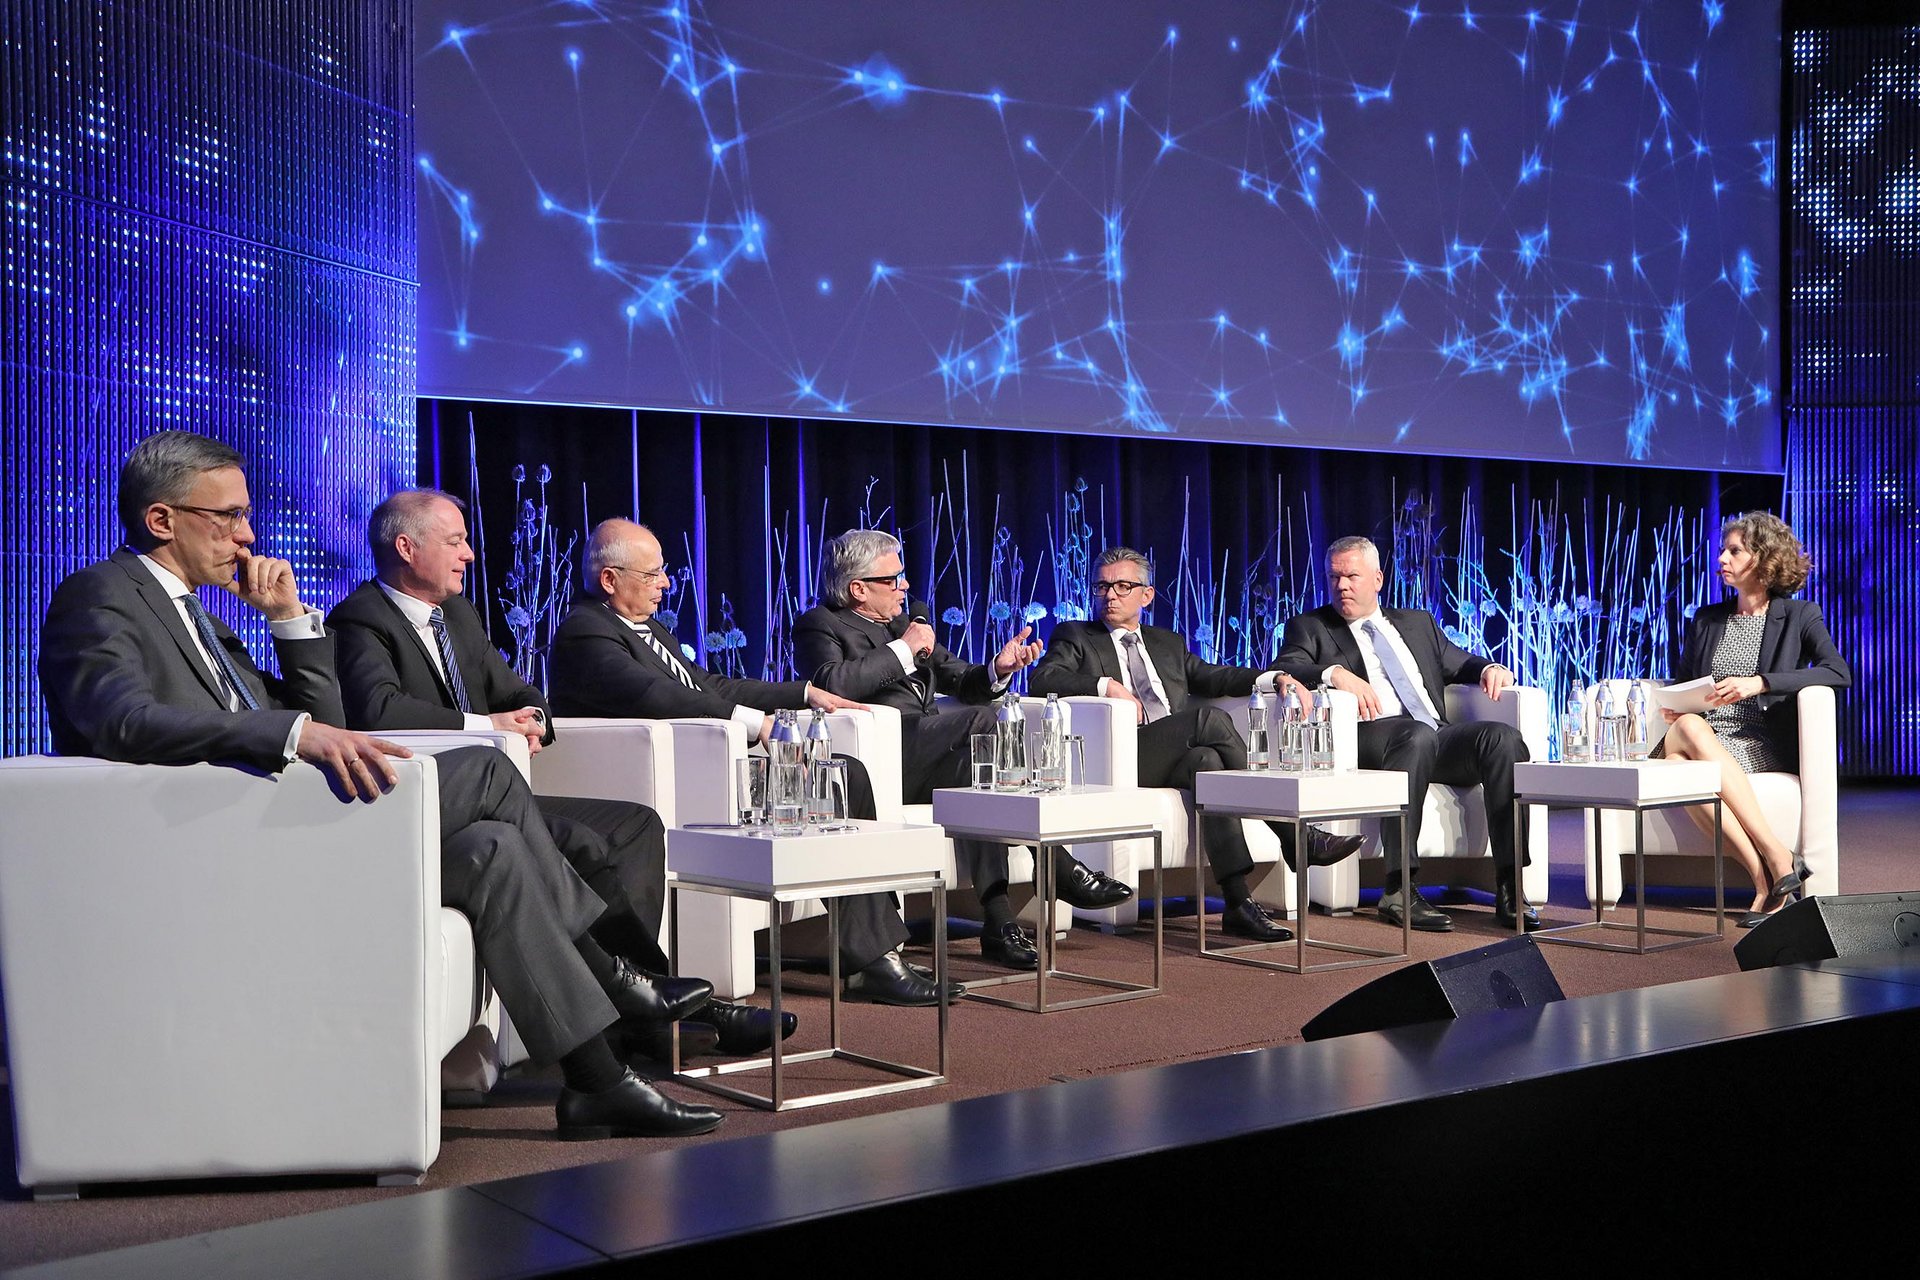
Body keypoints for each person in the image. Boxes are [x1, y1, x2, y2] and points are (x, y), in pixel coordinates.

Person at [39, 431, 723, 1140]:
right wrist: (287, 736)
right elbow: (121, 721)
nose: (246, 536)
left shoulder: (204, 617)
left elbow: (327, 719)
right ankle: (609, 972)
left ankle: (596, 1084)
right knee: (486, 769)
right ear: (161, 520)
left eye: (246, 516)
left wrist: (286, 623)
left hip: (273, 822)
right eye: (227, 518)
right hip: (217, 844)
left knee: (494, 848)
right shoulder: (97, 598)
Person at [327, 491, 786, 1055]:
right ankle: (640, 1003)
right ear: (406, 547)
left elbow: (519, 689)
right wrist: (486, 724)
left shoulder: (460, 617)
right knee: (584, 844)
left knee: (637, 824)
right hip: (441, 803)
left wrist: (532, 718)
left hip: (502, 790)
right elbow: (378, 711)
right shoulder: (360, 618)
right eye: (455, 542)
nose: (469, 554)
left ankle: (641, 997)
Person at [546, 518, 960, 1006]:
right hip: (685, 776)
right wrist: (751, 723)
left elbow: (708, 685)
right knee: (833, 777)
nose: (665, 584)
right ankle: (875, 960)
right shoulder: (586, 632)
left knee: (843, 772)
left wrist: (805, 693)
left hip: (714, 764)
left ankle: (876, 955)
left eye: (664, 572)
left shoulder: (648, 627)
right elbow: (654, 695)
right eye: (652, 575)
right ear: (610, 579)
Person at [793, 529, 1133, 971]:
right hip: (879, 756)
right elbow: (831, 684)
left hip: (935, 751)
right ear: (858, 589)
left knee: (981, 773)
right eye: (893, 579)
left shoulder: (903, 624)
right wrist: (903, 650)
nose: (905, 587)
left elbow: (960, 679)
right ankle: (1060, 867)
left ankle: (999, 923)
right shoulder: (820, 623)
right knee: (984, 726)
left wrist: (999, 667)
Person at [1030, 547, 1365, 943]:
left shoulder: (1166, 643)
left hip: (1174, 753)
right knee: (1208, 720)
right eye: (1102, 586)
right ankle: (1294, 831)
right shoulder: (1075, 635)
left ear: (1147, 595)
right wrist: (1106, 686)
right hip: (1120, 756)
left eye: (1122, 586)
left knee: (1207, 762)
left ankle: (1238, 903)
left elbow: (1216, 676)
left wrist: (1275, 678)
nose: (1110, 595)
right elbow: (1044, 679)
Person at [1273, 535, 1537, 932]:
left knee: (1503, 739)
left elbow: (1458, 661)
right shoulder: (1311, 626)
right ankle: (1399, 889)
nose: (1341, 585)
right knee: (1414, 736)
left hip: (1433, 734)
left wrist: (1488, 668)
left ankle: (1510, 885)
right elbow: (1288, 665)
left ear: (1377, 579)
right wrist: (1334, 673)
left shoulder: (1417, 623)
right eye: (1334, 577)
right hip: (1370, 738)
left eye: (1351, 576)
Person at [1654, 512, 1850, 928]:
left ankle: (1763, 881)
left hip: (1754, 740)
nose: (1722, 558)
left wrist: (1761, 682)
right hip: (1701, 729)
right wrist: (1679, 703)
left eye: (1734, 551)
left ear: (1763, 558)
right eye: (1723, 549)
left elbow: (1837, 671)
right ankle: (1775, 859)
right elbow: (1684, 680)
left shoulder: (1798, 615)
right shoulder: (1708, 619)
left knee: (1676, 769)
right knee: (1687, 727)